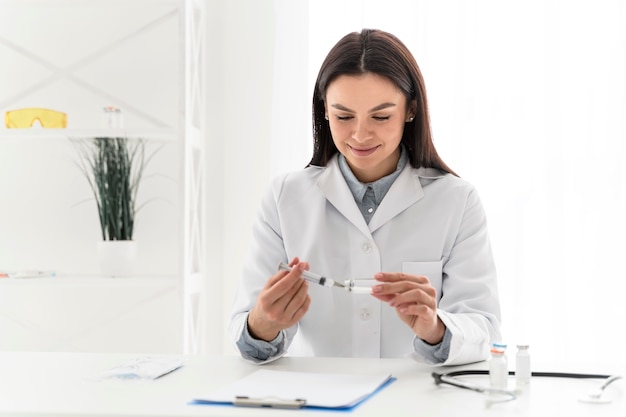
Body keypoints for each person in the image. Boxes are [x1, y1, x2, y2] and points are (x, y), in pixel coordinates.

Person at [229, 28, 501, 366]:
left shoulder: (457, 201)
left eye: (381, 116)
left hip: (417, 401)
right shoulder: (285, 197)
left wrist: (435, 328)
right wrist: (263, 324)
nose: (360, 134)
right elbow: (248, 335)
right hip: (318, 398)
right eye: (343, 116)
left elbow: (485, 330)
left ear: (411, 110)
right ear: (324, 111)